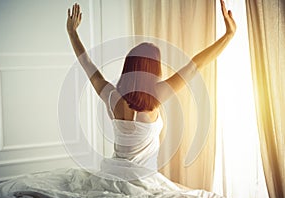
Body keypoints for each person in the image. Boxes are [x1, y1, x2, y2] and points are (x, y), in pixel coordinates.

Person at [66, 0, 236, 176]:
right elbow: (194, 66)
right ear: (153, 70)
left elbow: (86, 63)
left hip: (113, 176)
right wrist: (228, 36)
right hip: (144, 181)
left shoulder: (111, 96)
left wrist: (72, 33)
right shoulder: (157, 95)